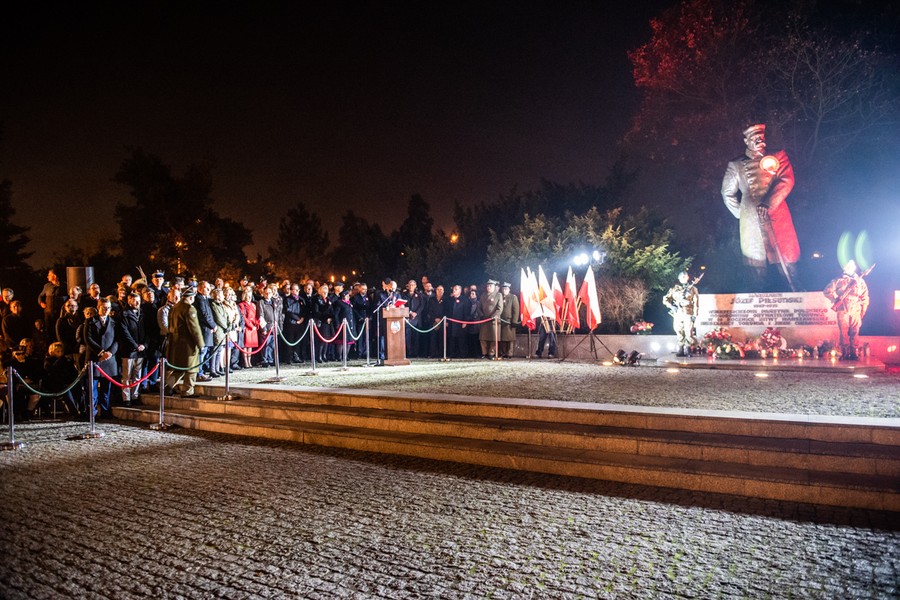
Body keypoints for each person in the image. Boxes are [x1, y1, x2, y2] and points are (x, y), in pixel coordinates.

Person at [721, 123, 800, 291]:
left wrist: (769, 203)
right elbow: (727, 193)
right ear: (746, 141)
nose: (760, 140)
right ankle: (756, 293)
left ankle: (795, 290)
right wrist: (742, 214)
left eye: (761, 137)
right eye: (755, 138)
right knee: (754, 258)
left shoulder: (778, 156)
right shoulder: (736, 165)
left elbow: (787, 180)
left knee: (787, 253)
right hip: (750, 216)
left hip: (776, 211)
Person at [823, 260, 870, 360]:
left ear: (854, 268)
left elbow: (865, 297)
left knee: (855, 332)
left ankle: (854, 353)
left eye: (851, 266)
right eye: (847, 266)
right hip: (842, 308)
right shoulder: (838, 280)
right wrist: (835, 299)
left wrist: (862, 311)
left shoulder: (860, 281)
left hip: (855, 309)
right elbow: (827, 291)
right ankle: (845, 353)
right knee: (843, 333)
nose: (848, 268)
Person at [164, 287, 204, 397]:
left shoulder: (174, 308)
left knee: (179, 368)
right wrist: (201, 343)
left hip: (175, 343)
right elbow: (194, 328)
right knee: (192, 368)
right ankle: (188, 391)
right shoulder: (189, 308)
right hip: (188, 345)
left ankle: (167, 386)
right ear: (191, 297)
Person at [84, 297, 118, 418]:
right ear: (98, 307)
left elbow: (117, 340)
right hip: (95, 358)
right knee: (92, 388)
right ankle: (91, 412)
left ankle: (105, 410)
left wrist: (110, 353)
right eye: (104, 308)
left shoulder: (113, 322)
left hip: (109, 360)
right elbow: (88, 339)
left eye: (108, 308)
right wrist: (100, 352)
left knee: (106, 389)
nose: (106, 310)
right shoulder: (90, 321)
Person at [117, 291, 146, 406]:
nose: (137, 302)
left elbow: (146, 331)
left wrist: (144, 344)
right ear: (129, 301)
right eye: (134, 300)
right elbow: (124, 332)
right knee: (127, 375)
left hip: (141, 349)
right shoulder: (124, 314)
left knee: (137, 375)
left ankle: (135, 396)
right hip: (128, 350)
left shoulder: (142, 314)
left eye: (138, 300)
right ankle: (126, 398)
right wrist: (134, 345)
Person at [663, 272, 700, 357]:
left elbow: (696, 302)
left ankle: (688, 349)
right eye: (682, 277)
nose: (684, 278)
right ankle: (680, 349)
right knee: (678, 330)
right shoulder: (674, 289)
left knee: (688, 331)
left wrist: (695, 314)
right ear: (679, 279)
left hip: (688, 312)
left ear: (688, 277)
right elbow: (666, 299)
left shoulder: (693, 289)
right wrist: (671, 306)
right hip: (678, 313)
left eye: (685, 276)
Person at [477, 279, 503, 359]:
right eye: (488, 286)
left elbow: (500, 308)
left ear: (494, 287)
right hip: (484, 319)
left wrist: (493, 316)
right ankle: (484, 353)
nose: (488, 287)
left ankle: (491, 353)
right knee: (483, 338)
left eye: (490, 286)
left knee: (493, 338)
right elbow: (478, 307)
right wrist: (481, 315)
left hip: (493, 320)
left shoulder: (498, 295)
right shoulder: (483, 295)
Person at [38, 269, 64, 342]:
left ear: (54, 276)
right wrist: (41, 303)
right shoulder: (47, 286)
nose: (47, 276)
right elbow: (40, 296)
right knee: (49, 330)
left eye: (49, 275)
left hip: (59, 313)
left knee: (59, 329)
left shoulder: (64, 285)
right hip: (48, 312)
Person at [238, 287, 260, 369]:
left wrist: (256, 324)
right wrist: (250, 325)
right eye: (248, 296)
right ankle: (245, 362)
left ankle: (249, 361)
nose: (249, 298)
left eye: (250, 296)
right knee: (245, 346)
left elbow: (255, 316)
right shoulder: (242, 305)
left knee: (250, 346)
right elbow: (243, 317)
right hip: (247, 327)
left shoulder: (253, 305)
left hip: (253, 327)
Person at [498, 282, 520, 358]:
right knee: (502, 338)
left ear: (509, 290)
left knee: (510, 338)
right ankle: (503, 352)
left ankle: (509, 353)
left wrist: (514, 321)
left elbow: (516, 310)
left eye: (506, 289)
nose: (504, 290)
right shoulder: (500, 296)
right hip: (501, 321)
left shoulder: (513, 297)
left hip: (509, 321)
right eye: (503, 289)